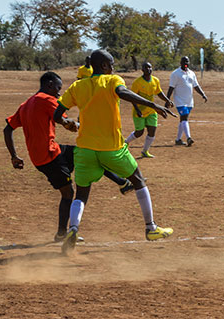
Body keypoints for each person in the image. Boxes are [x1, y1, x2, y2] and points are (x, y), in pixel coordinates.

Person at [53, 49, 176, 252]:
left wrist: (67, 123)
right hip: (112, 148)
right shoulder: (112, 81)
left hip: (84, 148)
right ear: (104, 66)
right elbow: (122, 93)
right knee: (138, 180)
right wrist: (152, 105)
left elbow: (58, 114)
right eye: (112, 64)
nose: (114, 67)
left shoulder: (77, 86)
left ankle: (73, 228)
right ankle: (150, 228)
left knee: (81, 194)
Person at [3, 71, 134, 243]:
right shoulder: (47, 100)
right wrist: (84, 125)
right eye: (58, 88)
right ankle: (61, 234)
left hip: (47, 152)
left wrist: (14, 156)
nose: (59, 93)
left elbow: (7, 129)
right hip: (49, 157)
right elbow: (65, 122)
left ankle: (122, 183)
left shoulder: (26, 104)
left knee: (88, 157)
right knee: (68, 193)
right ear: (49, 85)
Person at [124, 61, 173, 158]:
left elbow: (159, 92)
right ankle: (125, 143)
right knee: (139, 132)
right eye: (146, 68)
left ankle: (145, 151)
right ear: (142, 70)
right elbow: (132, 97)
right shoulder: (137, 82)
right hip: (139, 111)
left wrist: (167, 100)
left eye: (150, 67)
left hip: (151, 110)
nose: (148, 69)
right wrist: (137, 110)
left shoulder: (155, 80)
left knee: (152, 130)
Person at [167, 55, 207, 147]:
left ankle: (178, 140)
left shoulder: (191, 73)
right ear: (180, 63)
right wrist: (167, 100)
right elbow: (171, 88)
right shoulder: (175, 74)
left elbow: (196, 86)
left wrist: (203, 94)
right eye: (184, 62)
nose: (186, 64)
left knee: (183, 120)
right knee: (184, 118)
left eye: (187, 62)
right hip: (180, 101)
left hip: (189, 101)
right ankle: (189, 138)